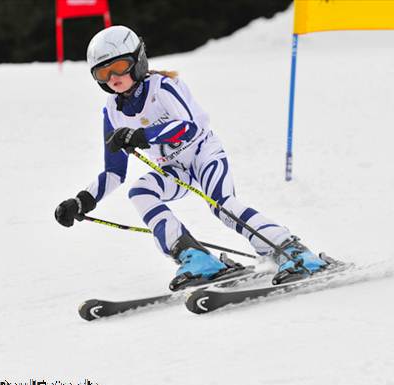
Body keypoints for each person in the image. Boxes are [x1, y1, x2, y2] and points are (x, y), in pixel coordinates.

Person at [55, 25, 327, 289]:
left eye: (120, 66)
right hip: (174, 168)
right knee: (140, 192)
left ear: (138, 61)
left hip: (202, 154)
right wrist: (82, 201)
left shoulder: (162, 87)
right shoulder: (112, 111)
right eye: (103, 72)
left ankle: (293, 251)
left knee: (222, 206)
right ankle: (195, 258)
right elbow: (114, 172)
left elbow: (188, 127)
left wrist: (141, 135)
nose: (113, 76)